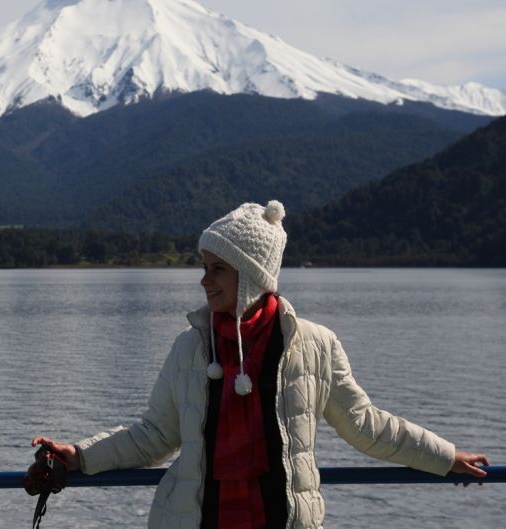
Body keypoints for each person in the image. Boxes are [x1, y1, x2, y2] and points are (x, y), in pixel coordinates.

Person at [31, 200, 489, 529]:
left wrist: (444, 457)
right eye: (204, 266)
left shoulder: (315, 345)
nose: (203, 280)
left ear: (250, 275)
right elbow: (154, 435)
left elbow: (364, 424)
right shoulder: (190, 348)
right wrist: (81, 455)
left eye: (217, 269)